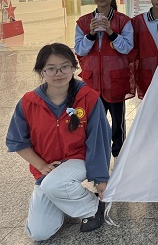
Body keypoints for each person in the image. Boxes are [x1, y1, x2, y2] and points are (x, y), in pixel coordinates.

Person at [6, 43, 111, 240]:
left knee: (55, 185)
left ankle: (92, 207)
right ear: (41, 71)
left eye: (65, 67)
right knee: (39, 233)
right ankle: (64, 200)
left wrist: (100, 180)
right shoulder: (29, 102)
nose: (59, 73)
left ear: (74, 68)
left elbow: (99, 141)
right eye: (51, 68)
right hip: (49, 170)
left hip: (79, 160)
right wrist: (41, 165)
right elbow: (17, 141)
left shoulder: (88, 98)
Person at [74, 0, 134, 158]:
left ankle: (119, 153)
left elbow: (126, 48)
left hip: (115, 80)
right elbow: (80, 49)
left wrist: (110, 32)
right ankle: (97, 152)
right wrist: (91, 34)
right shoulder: (83, 22)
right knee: (93, 120)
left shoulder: (123, 21)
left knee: (117, 121)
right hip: (92, 80)